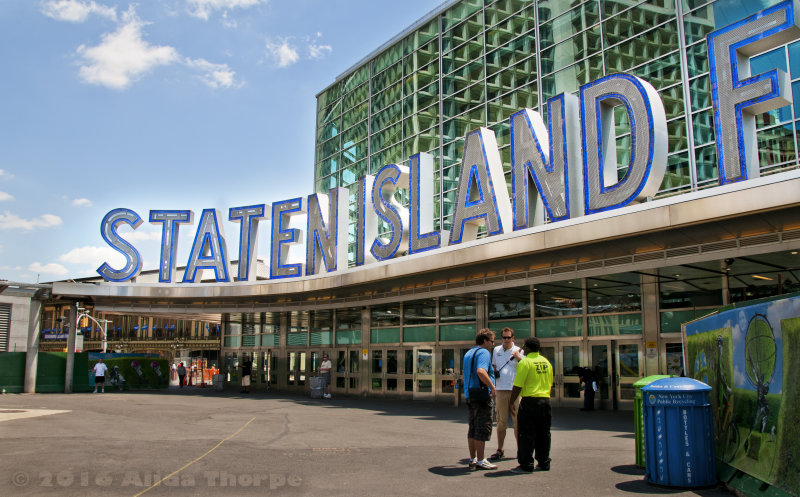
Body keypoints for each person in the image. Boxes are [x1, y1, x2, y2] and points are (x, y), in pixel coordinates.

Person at [509, 337, 553, 473]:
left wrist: (511, 401)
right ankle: (544, 461)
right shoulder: (546, 362)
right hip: (545, 400)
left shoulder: (525, 362)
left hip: (530, 401)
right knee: (544, 433)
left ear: (527, 348)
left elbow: (517, 385)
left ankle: (526, 463)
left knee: (526, 433)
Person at [462, 328, 497, 471]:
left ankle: (473, 458)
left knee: (473, 427)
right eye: (492, 341)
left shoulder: (468, 353)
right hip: (482, 395)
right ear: (485, 341)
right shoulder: (483, 352)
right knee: (482, 427)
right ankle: (482, 460)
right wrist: (492, 387)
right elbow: (481, 371)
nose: (493, 344)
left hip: (470, 394)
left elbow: (466, 374)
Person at [490, 327, 524, 461]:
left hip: (514, 390)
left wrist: (518, 357)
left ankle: (520, 449)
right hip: (500, 389)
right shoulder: (496, 350)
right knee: (501, 421)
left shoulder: (519, 350)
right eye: (504, 337)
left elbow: (525, 366)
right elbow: (493, 368)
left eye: (508, 337)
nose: (506, 340)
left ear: (513, 338)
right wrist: (492, 386)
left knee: (517, 421)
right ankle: (500, 449)